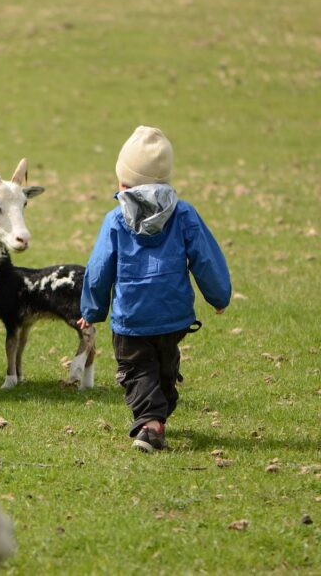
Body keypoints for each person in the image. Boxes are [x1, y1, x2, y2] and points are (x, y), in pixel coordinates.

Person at [77, 126, 231, 452]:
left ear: (124, 182)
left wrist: (91, 311)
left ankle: (149, 423)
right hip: (173, 315)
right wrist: (218, 296)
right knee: (164, 366)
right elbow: (206, 257)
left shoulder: (116, 220)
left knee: (136, 368)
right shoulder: (184, 214)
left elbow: (98, 270)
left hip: (131, 317)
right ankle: (156, 422)